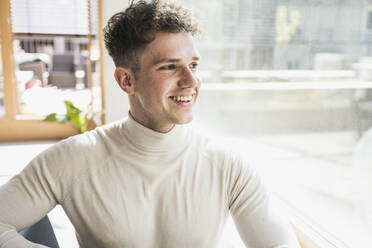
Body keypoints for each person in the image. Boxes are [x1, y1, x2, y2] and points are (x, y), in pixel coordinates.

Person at [0, 0, 301, 247]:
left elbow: (280, 245)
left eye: (194, 65)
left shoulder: (228, 164)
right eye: (169, 67)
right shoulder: (71, 159)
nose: (192, 81)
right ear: (126, 80)